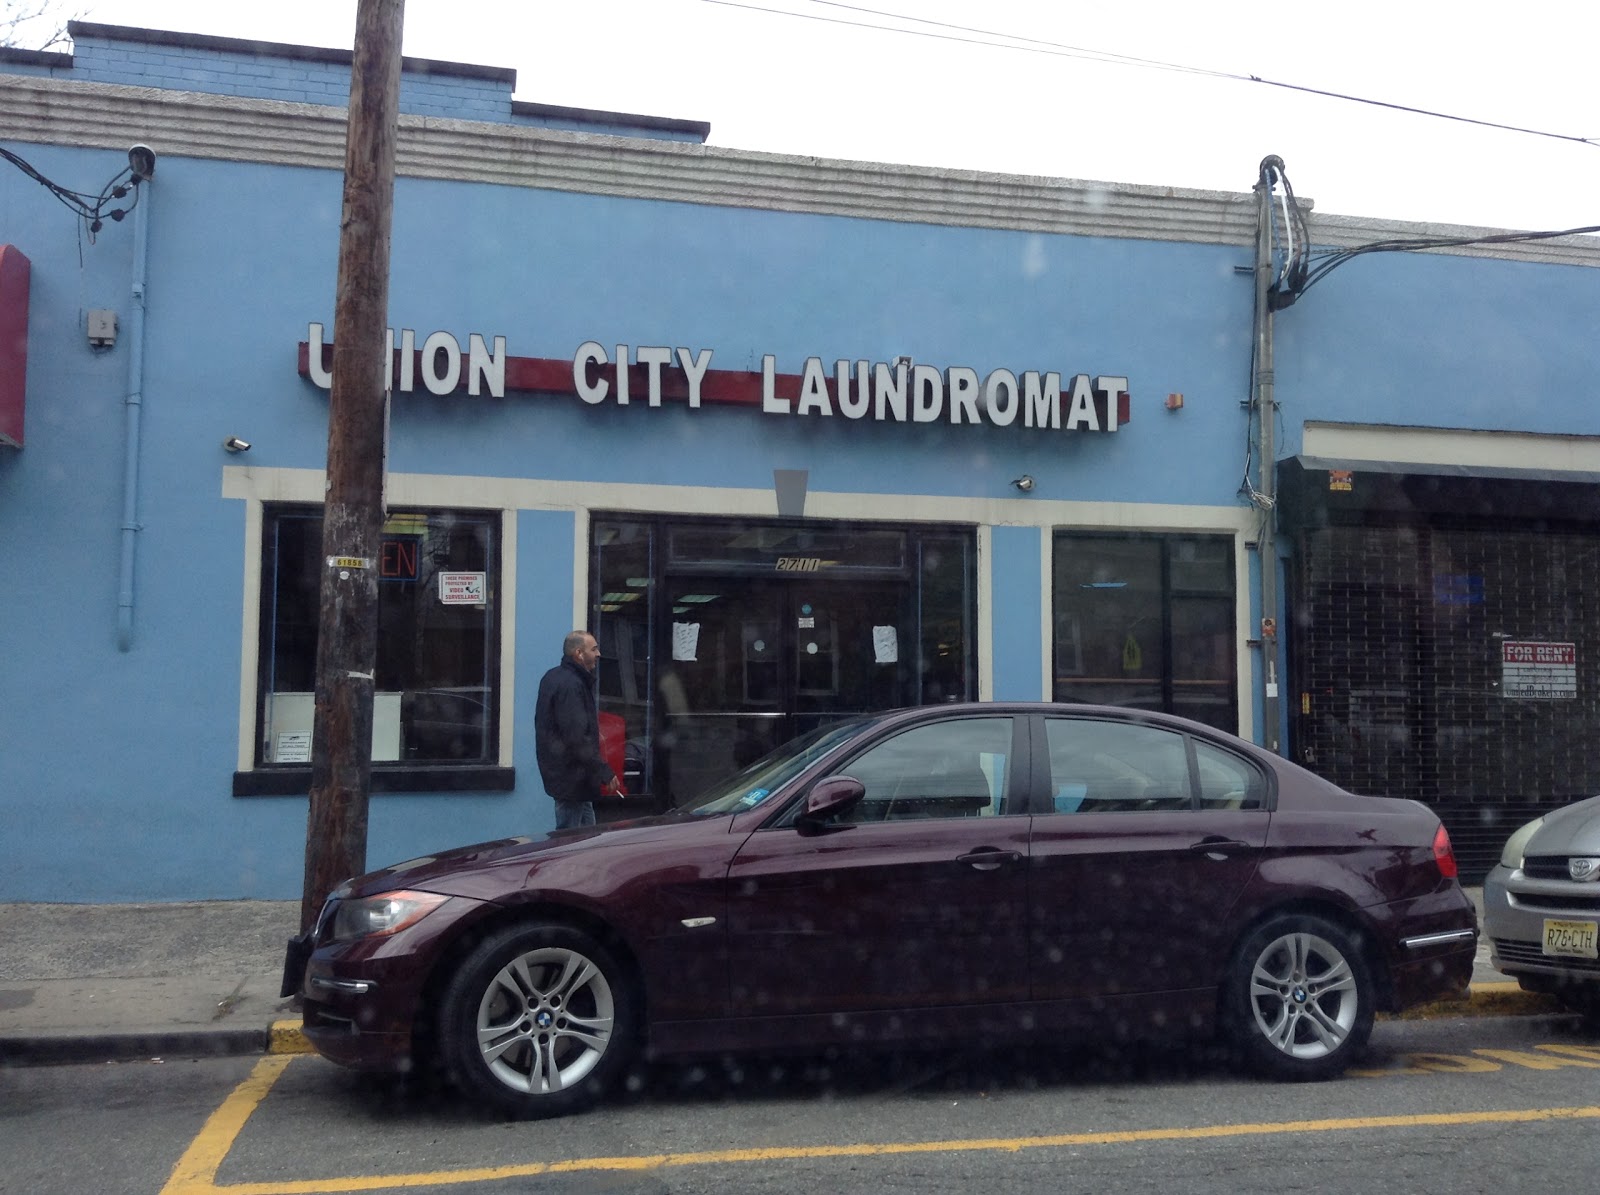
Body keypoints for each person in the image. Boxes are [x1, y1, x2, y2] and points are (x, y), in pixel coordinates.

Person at [534, 630, 620, 829]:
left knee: (588, 837)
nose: (599, 654)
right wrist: (604, 771)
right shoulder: (571, 685)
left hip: (572, 777)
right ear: (579, 653)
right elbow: (576, 737)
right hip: (572, 778)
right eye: (594, 649)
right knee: (570, 843)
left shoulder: (554, 677)